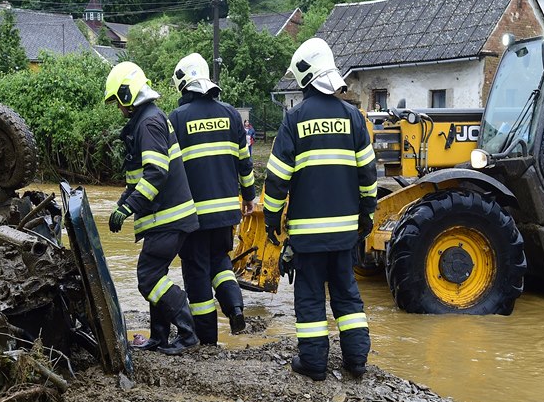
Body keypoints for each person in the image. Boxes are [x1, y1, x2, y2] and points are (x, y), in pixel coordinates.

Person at [263, 37, 377, 381]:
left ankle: (314, 364)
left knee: (310, 297)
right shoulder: (354, 118)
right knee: (347, 295)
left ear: (305, 76)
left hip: (308, 236)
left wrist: (271, 220)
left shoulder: (294, 119)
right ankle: (356, 361)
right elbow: (368, 175)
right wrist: (366, 216)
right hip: (344, 233)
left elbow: (277, 178)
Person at [105, 61, 200, 356]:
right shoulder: (148, 119)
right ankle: (159, 336)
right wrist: (123, 203)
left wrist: (128, 207)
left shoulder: (148, 122)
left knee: (148, 279)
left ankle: (187, 333)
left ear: (127, 94)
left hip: (168, 218)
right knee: (155, 275)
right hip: (166, 218)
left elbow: (156, 173)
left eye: (118, 102)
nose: (119, 109)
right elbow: (140, 178)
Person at [168, 53, 256, 346]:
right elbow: (245, 162)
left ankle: (207, 339)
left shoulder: (177, 119)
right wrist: (249, 197)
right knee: (220, 260)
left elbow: (169, 170)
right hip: (227, 212)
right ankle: (236, 309)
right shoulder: (231, 114)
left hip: (192, 215)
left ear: (183, 83)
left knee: (196, 271)